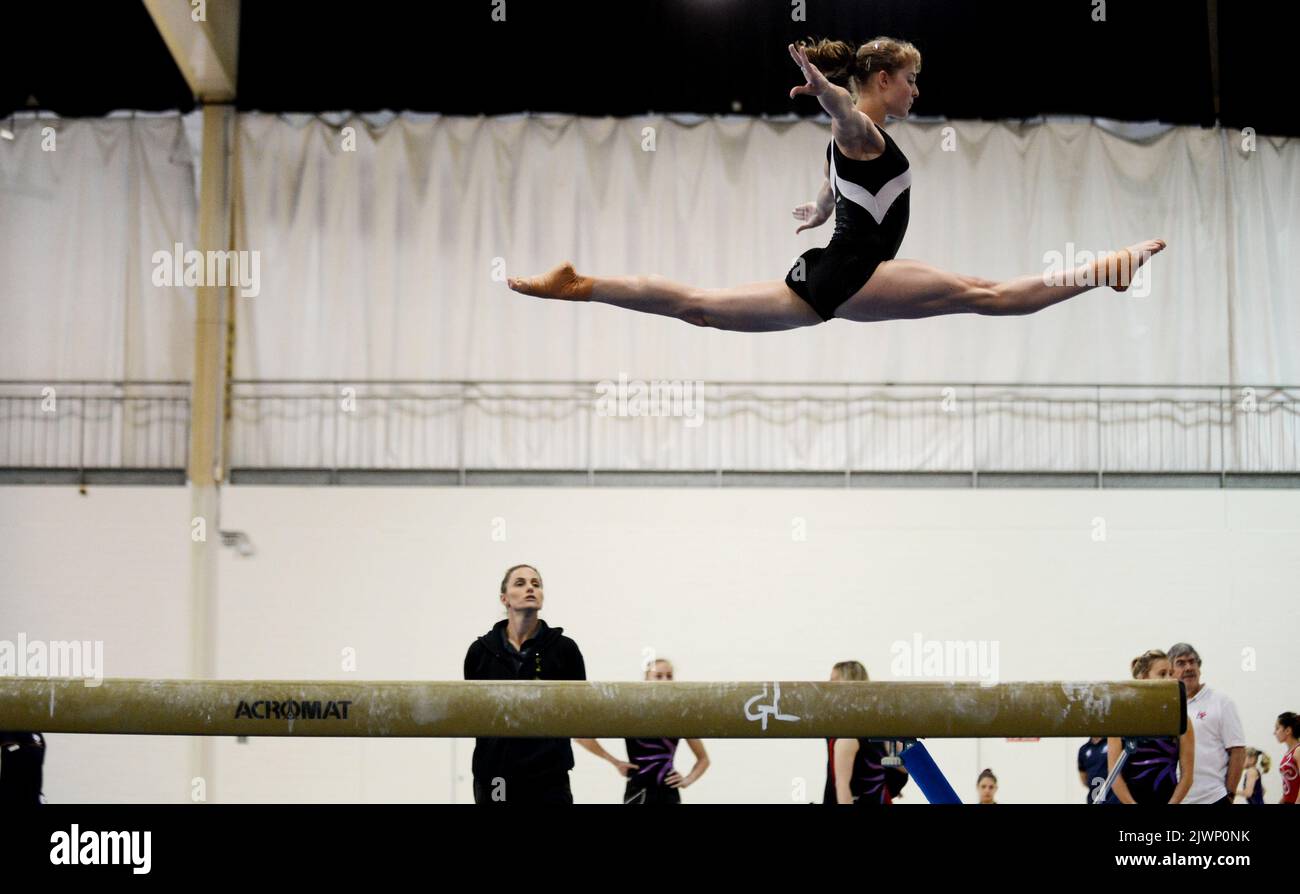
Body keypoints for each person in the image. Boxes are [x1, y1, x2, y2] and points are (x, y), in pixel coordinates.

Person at [508, 37, 1165, 331]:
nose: (916, 89)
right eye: (911, 79)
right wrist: (827, 93)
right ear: (882, 81)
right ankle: (1103, 270)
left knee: (700, 309)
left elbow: (835, 183)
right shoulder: (861, 131)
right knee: (988, 295)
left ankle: (582, 286)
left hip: (825, 278)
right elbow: (847, 121)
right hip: (857, 274)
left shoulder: (845, 146)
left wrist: (819, 208)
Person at [463, 563, 587, 804]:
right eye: (520, 583)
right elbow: (476, 716)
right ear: (504, 598)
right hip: (495, 774)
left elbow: (580, 712)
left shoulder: (564, 649)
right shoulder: (480, 652)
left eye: (536, 584)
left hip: (548, 773)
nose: (530, 588)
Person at [575, 658, 711, 804]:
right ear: (646, 679)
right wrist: (615, 762)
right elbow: (581, 736)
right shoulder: (631, 714)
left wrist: (688, 780)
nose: (665, 680)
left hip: (668, 791)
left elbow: (703, 759)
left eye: (669, 676)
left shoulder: (679, 716)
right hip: (638, 792)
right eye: (658, 676)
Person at [1107, 649, 1195, 804]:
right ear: (1143, 678)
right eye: (1162, 674)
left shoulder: (1181, 719)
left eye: (1170, 673)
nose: (1169, 679)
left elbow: (1187, 776)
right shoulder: (1121, 719)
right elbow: (1114, 775)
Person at [1169, 642, 1245, 805]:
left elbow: (1237, 750)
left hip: (1213, 798)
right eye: (1181, 663)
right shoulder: (1168, 707)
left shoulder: (1221, 702)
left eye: (1192, 661)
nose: (1188, 667)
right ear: (1171, 672)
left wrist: (1229, 796)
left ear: (1199, 667)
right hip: (1176, 800)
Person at [822, 660, 907, 804]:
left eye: (834, 679)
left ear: (849, 683)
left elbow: (903, 768)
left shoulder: (872, 723)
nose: (827, 684)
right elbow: (842, 785)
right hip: (849, 793)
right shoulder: (843, 729)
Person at [0, 731, 45, 804]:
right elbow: (12, 753)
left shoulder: (37, 734)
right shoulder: (8, 730)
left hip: (34, 793)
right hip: (10, 792)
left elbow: (37, 761)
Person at [1078, 736, 1118, 804]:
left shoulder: (1112, 742)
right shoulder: (1084, 749)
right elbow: (1083, 777)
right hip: (1094, 797)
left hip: (1113, 798)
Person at [1276, 712, 1299, 805]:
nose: (1274, 732)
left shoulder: (1298, 750)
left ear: (1288, 730)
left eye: (1277, 728)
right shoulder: (1288, 754)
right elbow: (1289, 786)